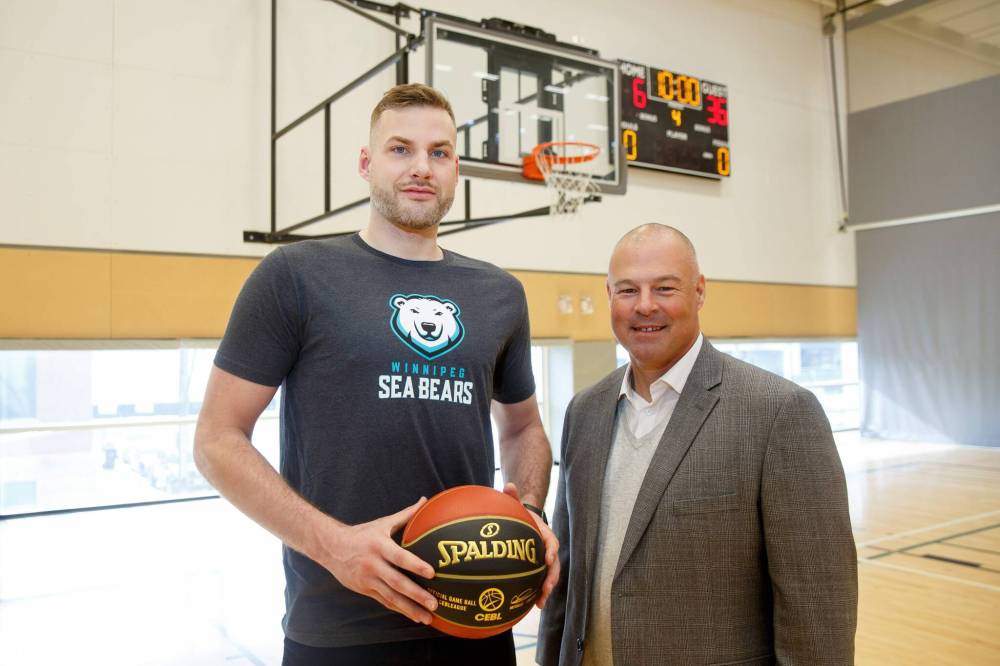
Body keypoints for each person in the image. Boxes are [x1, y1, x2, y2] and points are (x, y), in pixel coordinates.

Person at [194, 83, 558, 666]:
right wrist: (333, 546)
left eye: (439, 152)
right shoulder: (295, 275)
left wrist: (531, 516)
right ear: (366, 162)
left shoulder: (500, 294)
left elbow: (522, 429)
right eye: (400, 149)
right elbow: (216, 440)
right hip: (339, 627)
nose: (421, 167)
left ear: (456, 169)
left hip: (477, 620)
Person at [536, 224, 857, 666]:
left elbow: (818, 607)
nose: (645, 305)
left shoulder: (778, 412)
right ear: (609, 295)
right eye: (628, 290)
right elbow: (569, 574)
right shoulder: (584, 411)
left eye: (664, 288)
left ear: (700, 291)